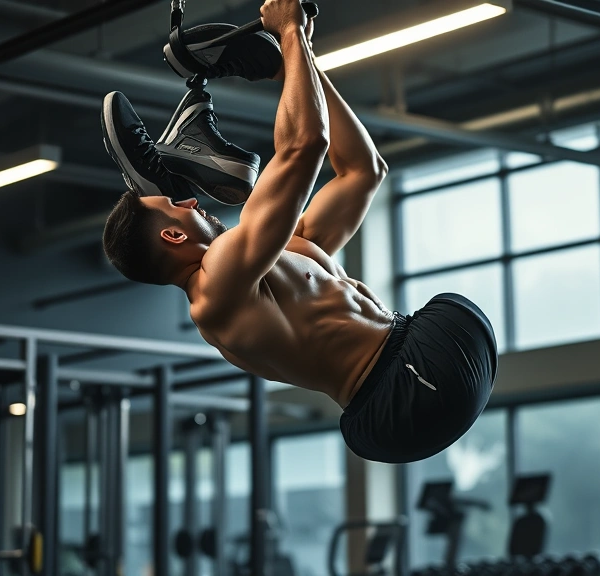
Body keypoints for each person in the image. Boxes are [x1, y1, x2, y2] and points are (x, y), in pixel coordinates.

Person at [100, 0, 497, 464]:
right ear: (171, 237)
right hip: (404, 389)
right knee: (452, 310)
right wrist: (288, 31)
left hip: (411, 371)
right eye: (174, 202)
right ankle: (187, 151)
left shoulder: (278, 259)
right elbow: (304, 146)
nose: (191, 200)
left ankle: (186, 149)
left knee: (359, 193)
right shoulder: (216, 291)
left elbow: (363, 171)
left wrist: (297, 57)